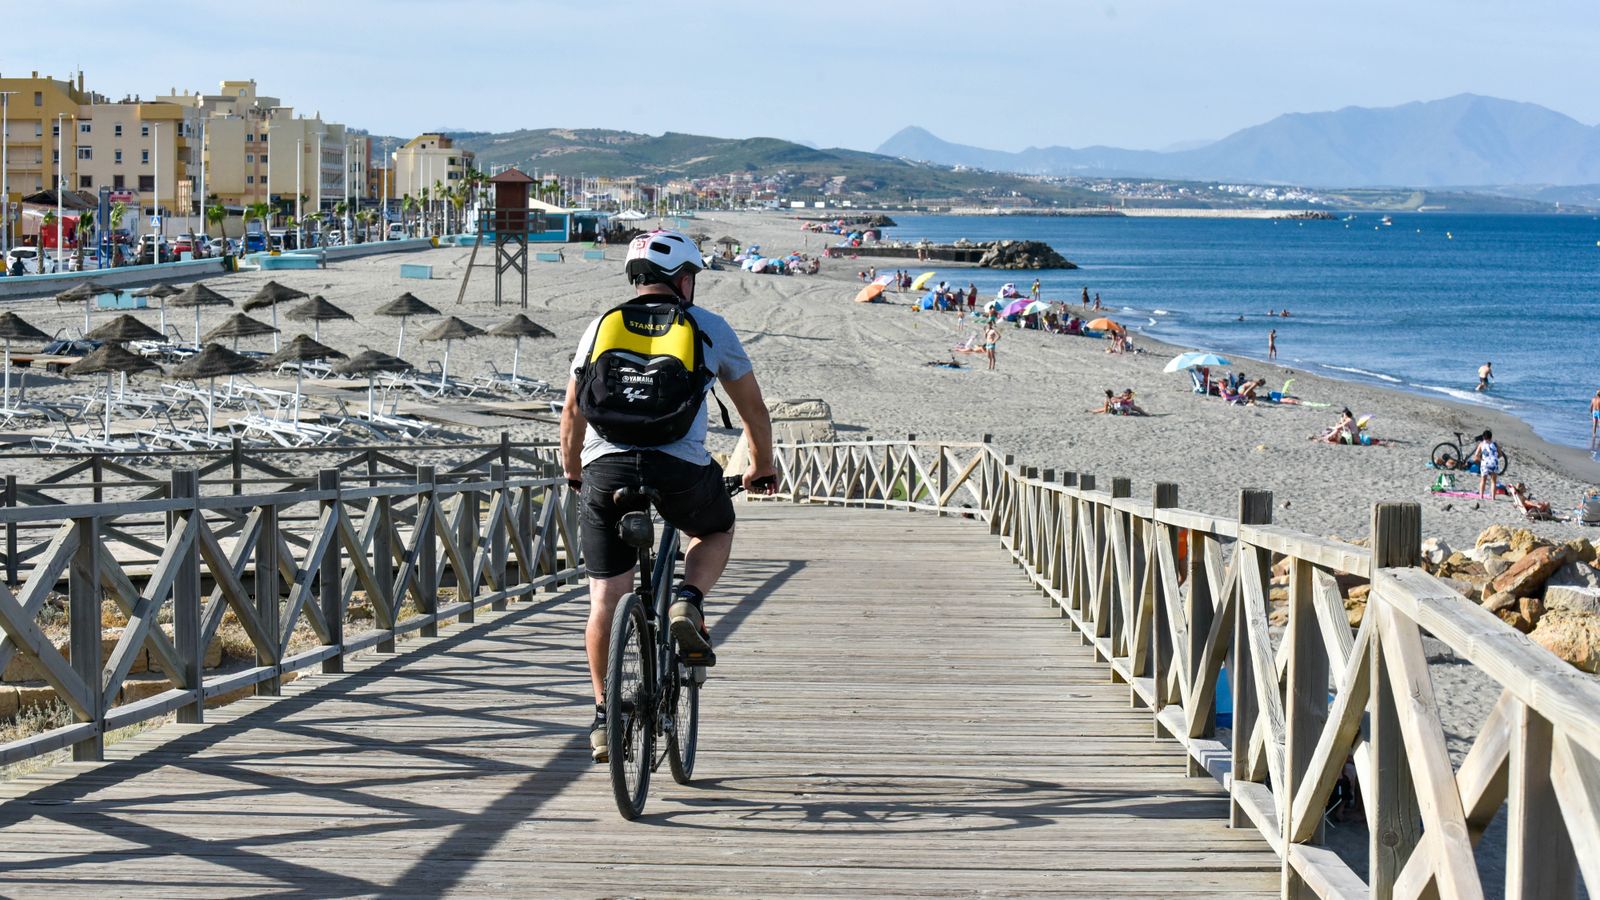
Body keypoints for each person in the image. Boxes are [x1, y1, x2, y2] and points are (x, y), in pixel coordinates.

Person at [560, 230, 777, 763]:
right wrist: (762, 467)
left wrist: (573, 474)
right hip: (679, 467)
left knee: (605, 599)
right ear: (684, 279)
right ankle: (689, 599)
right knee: (715, 529)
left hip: (605, 470)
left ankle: (604, 718)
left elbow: (572, 413)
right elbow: (754, 412)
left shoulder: (600, 327)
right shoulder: (709, 328)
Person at [1470, 430, 1502, 500]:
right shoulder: (1495, 444)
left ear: (1484, 437)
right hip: (1494, 462)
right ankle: (1493, 498)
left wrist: (1481, 460)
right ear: (1491, 437)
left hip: (1485, 463)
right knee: (1493, 481)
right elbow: (1500, 454)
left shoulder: (1481, 444)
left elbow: (1476, 456)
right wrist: (1495, 458)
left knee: (1483, 480)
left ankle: (1481, 496)